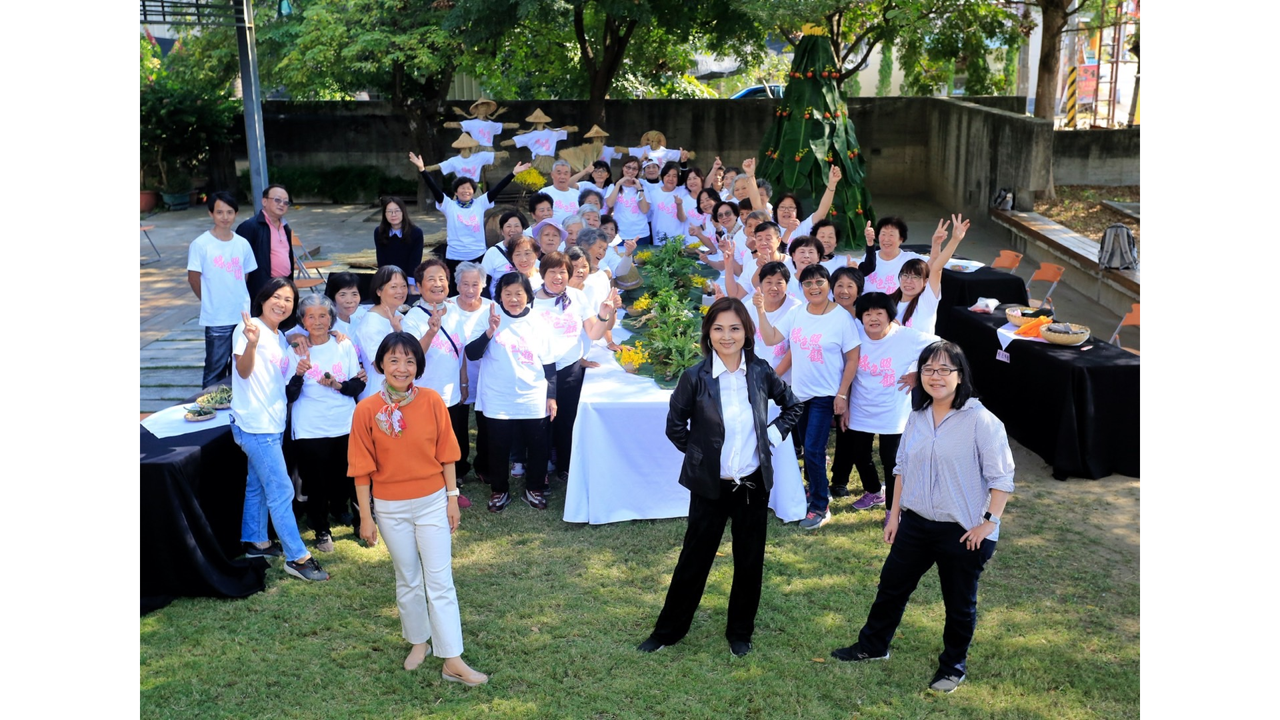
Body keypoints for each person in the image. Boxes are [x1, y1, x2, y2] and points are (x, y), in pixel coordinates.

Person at [831, 340, 1013, 695]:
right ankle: (872, 646)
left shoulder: (981, 421)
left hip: (962, 531)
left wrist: (988, 523)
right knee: (891, 587)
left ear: (960, 375)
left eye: (944, 369)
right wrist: (894, 516)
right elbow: (901, 468)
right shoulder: (917, 416)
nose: (935, 376)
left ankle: (953, 667)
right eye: (928, 369)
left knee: (958, 603)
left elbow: (1002, 478)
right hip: (915, 523)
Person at [637, 297, 802, 657]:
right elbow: (675, 426)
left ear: (747, 332)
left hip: (752, 485)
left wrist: (770, 438)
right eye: (719, 328)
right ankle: (667, 632)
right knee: (693, 560)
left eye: (735, 328)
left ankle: (740, 632)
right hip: (710, 486)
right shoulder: (694, 377)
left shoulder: (760, 371)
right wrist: (703, 458)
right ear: (708, 333)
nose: (727, 336)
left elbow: (793, 405)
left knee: (749, 561)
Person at [347, 332, 489, 685]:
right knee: (408, 578)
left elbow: (447, 453)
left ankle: (452, 659)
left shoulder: (432, 401)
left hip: (432, 503)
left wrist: (452, 497)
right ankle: (418, 642)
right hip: (390, 508)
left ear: (418, 366)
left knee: (440, 581)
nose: (402, 367)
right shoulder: (366, 409)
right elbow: (361, 468)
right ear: (381, 364)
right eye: (394, 360)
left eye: (410, 361)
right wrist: (366, 517)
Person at [230, 277, 329, 581]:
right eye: (276, 296)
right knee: (281, 489)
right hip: (255, 425)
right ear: (263, 298)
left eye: (288, 299)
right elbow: (243, 372)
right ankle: (297, 557)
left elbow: (278, 377)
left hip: (272, 422)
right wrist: (251, 343)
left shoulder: (278, 335)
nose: (282, 303)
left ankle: (256, 542)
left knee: (258, 485)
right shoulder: (249, 328)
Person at [755, 264, 861, 530]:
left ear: (828, 284)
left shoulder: (841, 318)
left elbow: (852, 359)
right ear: (801, 287)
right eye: (808, 283)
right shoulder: (797, 313)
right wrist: (760, 310)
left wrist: (842, 394)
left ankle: (820, 506)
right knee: (805, 448)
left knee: (814, 448)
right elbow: (771, 339)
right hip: (798, 395)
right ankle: (814, 489)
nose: (814, 288)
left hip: (825, 395)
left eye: (819, 282)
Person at [465, 273, 559, 513]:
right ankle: (499, 490)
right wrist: (490, 331)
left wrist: (551, 396)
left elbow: (549, 363)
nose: (513, 299)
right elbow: (472, 353)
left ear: (528, 295)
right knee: (498, 447)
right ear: (500, 296)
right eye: (507, 294)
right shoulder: (489, 317)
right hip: (498, 396)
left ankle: (534, 488)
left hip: (533, 395)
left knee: (538, 446)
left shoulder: (538, 321)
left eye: (519, 293)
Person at [840, 292, 938, 515]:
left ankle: (892, 511)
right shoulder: (854, 335)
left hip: (893, 411)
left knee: (891, 461)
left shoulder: (906, 336)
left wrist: (918, 373)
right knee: (859, 454)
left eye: (879, 313)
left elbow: (941, 347)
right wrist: (845, 404)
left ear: (889, 315)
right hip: (860, 407)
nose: (873, 318)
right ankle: (874, 491)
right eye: (867, 314)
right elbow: (846, 369)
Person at [533, 252, 620, 489]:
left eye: (562, 271)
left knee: (567, 420)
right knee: (540, 422)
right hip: (540, 371)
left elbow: (594, 333)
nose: (558, 277)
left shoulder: (577, 297)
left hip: (570, 369)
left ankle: (565, 465)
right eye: (552, 271)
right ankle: (540, 469)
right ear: (542, 274)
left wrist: (604, 314)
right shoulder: (531, 301)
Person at [286, 294, 366, 552]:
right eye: (311, 316)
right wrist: (299, 374)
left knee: (350, 476)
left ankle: (359, 522)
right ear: (303, 321)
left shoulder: (343, 344)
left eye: (323, 315)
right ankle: (321, 530)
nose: (318, 321)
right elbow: (289, 395)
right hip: (310, 427)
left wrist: (337, 385)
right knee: (316, 481)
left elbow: (357, 385)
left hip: (345, 422)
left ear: (331, 319)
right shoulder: (295, 350)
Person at [403, 259, 478, 508]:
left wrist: (464, 381)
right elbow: (411, 358)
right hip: (425, 395)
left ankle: (451, 490)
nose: (437, 284)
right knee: (427, 447)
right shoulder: (413, 318)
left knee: (450, 444)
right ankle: (431, 493)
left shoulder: (453, 310)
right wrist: (431, 332)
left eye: (442, 279)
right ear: (419, 286)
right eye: (431, 279)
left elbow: (460, 349)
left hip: (452, 393)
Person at [409, 151, 529, 292]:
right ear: (456, 192)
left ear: (473, 191)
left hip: (478, 255)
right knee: (455, 290)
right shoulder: (449, 205)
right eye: (462, 188)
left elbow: (498, 189)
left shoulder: (480, 203)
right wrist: (422, 170)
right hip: (455, 256)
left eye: (469, 188)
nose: (465, 190)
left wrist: (513, 173)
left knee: (478, 289)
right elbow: (434, 189)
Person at [188, 191, 258, 390]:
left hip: (242, 317)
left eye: (229, 212)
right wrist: (209, 300)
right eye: (219, 212)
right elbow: (193, 278)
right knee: (215, 369)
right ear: (211, 213)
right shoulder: (201, 244)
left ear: (236, 214)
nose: (225, 217)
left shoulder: (242, 243)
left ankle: (233, 403)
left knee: (240, 366)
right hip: (217, 318)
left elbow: (245, 276)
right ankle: (208, 405)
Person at [448, 262, 496, 485]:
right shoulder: (447, 307)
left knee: (485, 425)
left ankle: (484, 466)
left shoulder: (492, 308)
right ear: (457, 284)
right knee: (457, 425)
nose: (469, 289)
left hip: (486, 377)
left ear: (483, 285)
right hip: (455, 378)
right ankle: (458, 468)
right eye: (464, 284)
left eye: (475, 284)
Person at [891, 215, 969, 335]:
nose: (909, 281)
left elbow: (936, 268)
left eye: (915, 277)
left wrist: (955, 240)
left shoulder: (926, 300)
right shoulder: (889, 301)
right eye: (905, 275)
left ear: (925, 282)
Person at [354, 266, 409, 401]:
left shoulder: (399, 316)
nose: (400, 291)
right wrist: (398, 332)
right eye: (393, 287)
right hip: (378, 395)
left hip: (399, 392)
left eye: (403, 286)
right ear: (379, 291)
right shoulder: (371, 323)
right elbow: (379, 367)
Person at [237, 184, 296, 301]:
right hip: (262, 289)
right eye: (277, 200)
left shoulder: (285, 227)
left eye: (285, 202)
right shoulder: (250, 226)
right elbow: (239, 263)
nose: (282, 204)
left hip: (284, 285)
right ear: (264, 201)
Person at [373, 197, 424, 295]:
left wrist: (411, 286)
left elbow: (415, 260)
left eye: (397, 211)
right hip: (388, 278)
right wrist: (384, 282)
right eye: (389, 211)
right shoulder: (379, 232)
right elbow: (381, 259)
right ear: (385, 214)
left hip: (409, 279)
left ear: (403, 212)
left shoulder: (416, 233)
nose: (393, 215)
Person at [863, 217, 928, 295]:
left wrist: (936, 244)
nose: (886, 239)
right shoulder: (869, 257)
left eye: (891, 235)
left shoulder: (911, 259)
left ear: (901, 239)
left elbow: (935, 264)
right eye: (883, 234)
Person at [605, 156, 652, 244]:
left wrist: (639, 189)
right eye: (628, 167)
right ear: (623, 168)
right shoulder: (613, 186)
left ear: (638, 171)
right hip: (620, 234)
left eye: (634, 169)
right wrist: (618, 184)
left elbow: (645, 210)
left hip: (641, 234)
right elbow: (610, 204)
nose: (630, 171)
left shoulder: (643, 187)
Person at [480, 210, 527, 298]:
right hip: (498, 301)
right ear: (502, 231)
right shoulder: (492, 252)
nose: (513, 230)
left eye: (517, 226)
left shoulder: (529, 250)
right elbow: (483, 283)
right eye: (508, 226)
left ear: (523, 229)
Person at [645, 161, 688, 245]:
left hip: (678, 241)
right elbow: (647, 217)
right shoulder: (653, 194)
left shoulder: (683, 192)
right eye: (668, 175)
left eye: (674, 176)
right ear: (662, 177)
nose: (671, 179)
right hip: (659, 240)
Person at [539, 159, 582, 223]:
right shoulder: (544, 193)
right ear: (552, 175)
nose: (562, 177)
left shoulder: (577, 194)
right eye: (559, 173)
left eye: (565, 174)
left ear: (570, 175)